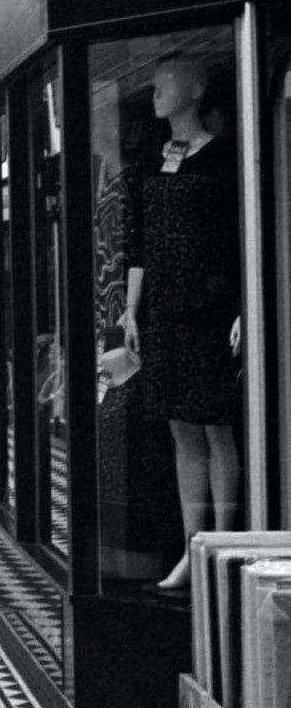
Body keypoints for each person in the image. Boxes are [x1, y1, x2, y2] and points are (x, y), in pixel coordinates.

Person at [122, 55, 241, 593]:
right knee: (179, 428)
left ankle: (225, 540)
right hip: (164, 308)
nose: (156, 90)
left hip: (210, 306)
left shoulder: (224, 158)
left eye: (169, 82)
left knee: (216, 425)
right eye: (156, 82)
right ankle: (194, 548)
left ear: (196, 89)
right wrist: (131, 308)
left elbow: (239, 232)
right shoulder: (152, 154)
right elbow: (139, 240)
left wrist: (242, 303)